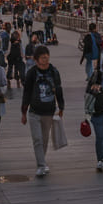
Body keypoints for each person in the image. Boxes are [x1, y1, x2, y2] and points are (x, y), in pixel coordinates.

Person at [20, 45, 65, 178]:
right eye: (42, 58)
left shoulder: (54, 71)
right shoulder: (32, 73)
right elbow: (26, 92)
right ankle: (41, 165)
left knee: (44, 139)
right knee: (37, 139)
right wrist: (23, 111)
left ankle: (42, 161)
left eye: (47, 57)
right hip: (34, 111)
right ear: (36, 59)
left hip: (49, 111)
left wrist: (61, 106)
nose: (45, 60)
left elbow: (59, 89)